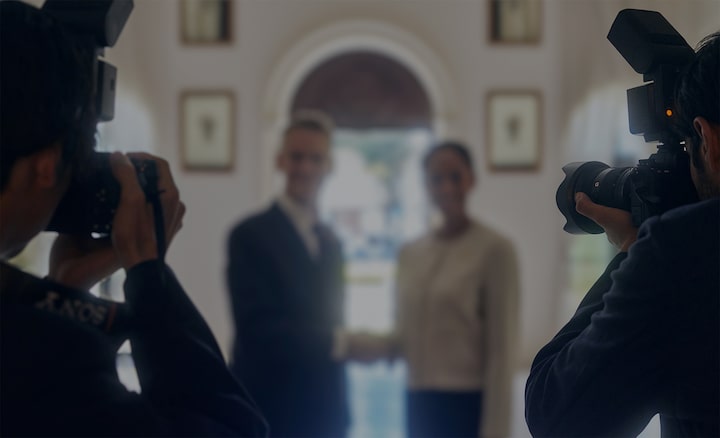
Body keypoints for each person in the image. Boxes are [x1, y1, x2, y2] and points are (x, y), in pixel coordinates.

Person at [0, 2, 266, 436]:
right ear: (46, 165)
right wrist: (147, 273)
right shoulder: (38, 354)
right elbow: (226, 425)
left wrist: (63, 291)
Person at [525, 32, 720, 437]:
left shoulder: (682, 253)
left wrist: (637, 251)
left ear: (709, 140)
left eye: (688, 145)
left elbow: (556, 414)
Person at [344, 141, 520, 438]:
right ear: (425, 185)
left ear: (471, 180)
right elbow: (404, 335)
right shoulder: (410, 252)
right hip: (418, 398)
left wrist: (495, 431)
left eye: (455, 177)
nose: (446, 187)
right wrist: (342, 342)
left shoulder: (495, 250)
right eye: (436, 179)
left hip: (467, 402)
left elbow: (502, 353)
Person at [226, 110, 349, 438]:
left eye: (316, 159)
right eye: (297, 157)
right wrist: (342, 343)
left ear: (329, 166)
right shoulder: (249, 235)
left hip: (325, 410)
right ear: (280, 161)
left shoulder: (331, 240)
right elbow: (257, 331)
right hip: (271, 406)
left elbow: (332, 317)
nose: (306, 168)